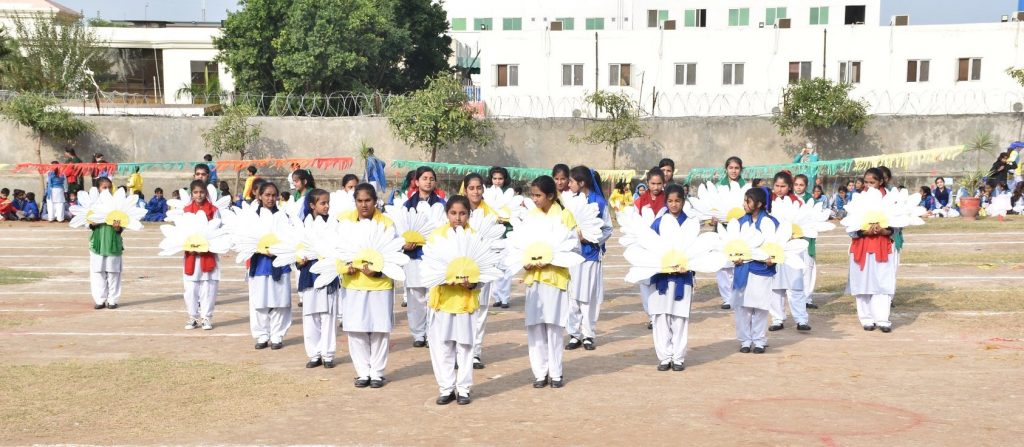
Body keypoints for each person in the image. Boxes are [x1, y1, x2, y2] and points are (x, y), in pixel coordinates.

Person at [341, 184, 399, 387]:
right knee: (355, 329)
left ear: (375, 201)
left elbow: (394, 255)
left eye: (368, 200)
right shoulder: (344, 222)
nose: (364, 205)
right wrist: (344, 267)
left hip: (380, 284)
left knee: (380, 329)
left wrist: (378, 270)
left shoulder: (387, 224)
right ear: (355, 202)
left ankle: (377, 372)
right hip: (353, 284)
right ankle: (362, 371)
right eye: (360, 201)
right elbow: (336, 251)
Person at [523, 175, 578, 389]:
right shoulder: (530, 217)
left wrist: (551, 258)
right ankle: (539, 372)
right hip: (533, 280)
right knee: (535, 327)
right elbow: (521, 246)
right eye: (533, 195)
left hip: (555, 278)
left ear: (551, 196)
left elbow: (574, 248)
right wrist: (526, 262)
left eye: (538, 195)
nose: (535, 199)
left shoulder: (564, 216)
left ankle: (556, 372)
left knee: (554, 327)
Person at [426, 195, 480, 405]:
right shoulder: (437, 237)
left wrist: (472, 284)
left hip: (465, 302)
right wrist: (442, 279)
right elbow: (430, 268)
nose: (458, 218)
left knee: (465, 346)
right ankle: (446, 387)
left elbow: (483, 272)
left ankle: (464, 388)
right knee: (442, 346)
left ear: (469, 214)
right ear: (446, 214)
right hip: (442, 301)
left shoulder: (475, 238)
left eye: (463, 213)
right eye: (453, 213)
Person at [565, 166, 613, 351]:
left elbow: (608, 228)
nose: (569, 185)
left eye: (571, 181)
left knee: (589, 296)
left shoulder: (599, 202)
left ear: (582, 183)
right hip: (573, 254)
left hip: (591, 255)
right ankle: (574, 333)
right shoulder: (570, 202)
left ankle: (588, 334)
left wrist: (592, 238)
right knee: (573, 294)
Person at [647, 184, 693, 371]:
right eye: (670, 201)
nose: (674, 205)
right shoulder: (658, 223)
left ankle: (678, 357)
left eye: (678, 201)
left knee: (680, 317)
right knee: (660, 317)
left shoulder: (690, 224)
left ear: (683, 201)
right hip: (661, 279)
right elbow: (648, 247)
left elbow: (695, 251)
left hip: (683, 279)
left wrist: (688, 266)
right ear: (666, 202)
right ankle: (664, 356)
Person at [848, 168, 898, 333]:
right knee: (862, 283)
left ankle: (882, 319)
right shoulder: (857, 199)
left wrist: (886, 230)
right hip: (861, 246)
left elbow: (898, 225)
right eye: (866, 182)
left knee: (882, 282)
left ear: (881, 182)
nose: (868, 186)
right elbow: (849, 227)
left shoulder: (890, 199)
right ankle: (866, 318)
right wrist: (863, 231)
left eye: (872, 183)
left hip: (882, 246)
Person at [731, 187, 779, 353]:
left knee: (760, 307)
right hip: (743, 270)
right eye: (744, 200)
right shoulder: (740, 222)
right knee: (743, 308)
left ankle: (759, 340)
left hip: (762, 271)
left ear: (758, 204)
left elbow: (778, 246)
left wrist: (773, 259)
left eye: (748, 201)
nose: (744, 204)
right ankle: (745, 340)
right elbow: (732, 245)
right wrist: (734, 257)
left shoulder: (771, 223)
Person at [402, 167, 446, 348]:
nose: (428, 181)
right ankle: (418, 334)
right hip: (413, 257)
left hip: (434, 256)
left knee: (434, 296)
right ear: (417, 181)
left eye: (431, 178)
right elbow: (400, 230)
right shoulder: (407, 206)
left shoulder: (443, 205)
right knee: (416, 297)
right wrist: (404, 244)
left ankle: (432, 333)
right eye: (424, 178)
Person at [298, 189, 341, 368]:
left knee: (328, 316)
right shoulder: (303, 225)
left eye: (327, 202)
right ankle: (314, 354)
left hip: (329, 274)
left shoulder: (334, 223)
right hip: (309, 274)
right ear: (312, 205)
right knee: (310, 316)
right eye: (322, 203)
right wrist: (300, 259)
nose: (326, 206)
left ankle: (328, 354)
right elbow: (297, 248)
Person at [249, 182, 293, 350]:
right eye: (267, 195)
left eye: (274, 195)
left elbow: (290, 237)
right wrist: (260, 248)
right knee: (259, 301)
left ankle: (277, 335)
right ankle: (262, 334)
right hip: (259, 264)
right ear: (259, 196)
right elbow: (246, 239)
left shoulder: (284, 216)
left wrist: (279, 249)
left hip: (280, 264)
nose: (271, 198)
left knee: (280, 301)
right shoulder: (253, 216)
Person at [767, 171, 810, 331]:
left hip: (793, 247)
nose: (779, 189)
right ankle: (777, 318)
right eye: (776, 186)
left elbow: (804, 224)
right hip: (773, 248)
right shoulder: (767, 202)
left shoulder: (797, 202)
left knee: (795, 284)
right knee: (775, 286)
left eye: (783, 186)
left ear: (789, 186)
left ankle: (801, 319)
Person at [463, 173, 497, 369]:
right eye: (471, 188)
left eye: (479, 188)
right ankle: (461, 350)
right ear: (465, 190)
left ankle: (475, 352)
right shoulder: (459, 210)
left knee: (481, 310)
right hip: (461, 268)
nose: (476, 191)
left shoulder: (490, 214)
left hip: (483, 268)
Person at [181, 180, 222, 331]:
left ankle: (206, 317)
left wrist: (207, 245)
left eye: (202, 192)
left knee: (208, 287)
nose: (199, 195)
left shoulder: (213, 210)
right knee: (190, 288)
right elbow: (181, 232)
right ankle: (192, 317)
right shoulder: (186, 210)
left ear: (206, 193)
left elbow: (219, 230)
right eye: (196, 192)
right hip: (191, 255)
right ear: (191, 194)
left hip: (208, 255)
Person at [88, 178, 123, 310]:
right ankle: (100, 299)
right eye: (104, 187)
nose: (107, 190)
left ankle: (113, 299)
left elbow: (122, 226)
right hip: (97, 245)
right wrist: (93, 222)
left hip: (113, 244)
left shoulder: (117, 205)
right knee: (98, 272)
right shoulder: (93, 205)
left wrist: (117, 227)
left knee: (114, 273)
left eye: (109, 187)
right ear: (98, 189)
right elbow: (88, 223)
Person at [716, 157, 746, 310]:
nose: (734, 171)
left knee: (738, 262)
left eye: (737, 168)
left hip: (740, 229)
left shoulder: (746, 187)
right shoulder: (718, 186)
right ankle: (727, 298)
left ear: (741, 169)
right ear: (726, 169)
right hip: (722, 228)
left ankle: (738, 295)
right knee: (722, 265)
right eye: (731, 168)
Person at [487, 166, 514, 309]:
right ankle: (496, 297)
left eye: (500, 178)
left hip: (506, 234)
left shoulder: (509, 194)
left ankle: (505, 298)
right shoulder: (486, 193)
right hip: (491, 235)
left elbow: (516, 214)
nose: (497, 181)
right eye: (495, 178)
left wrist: (507, 219)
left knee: (506, 267)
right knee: (494, 266)